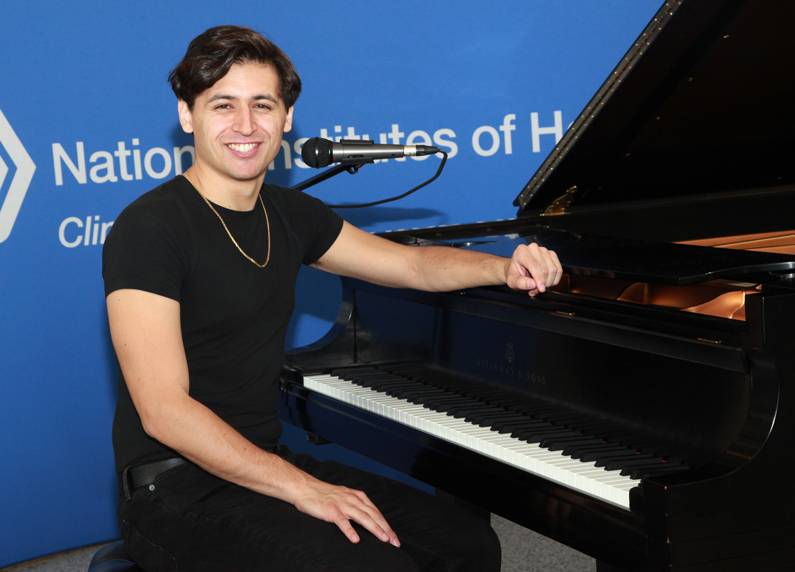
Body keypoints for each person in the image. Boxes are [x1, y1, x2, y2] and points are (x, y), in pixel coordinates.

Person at [103, 25, 562, 572]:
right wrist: (304, 488)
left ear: (287, 118)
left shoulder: (290, 214)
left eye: (263, 105)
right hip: (173, 486)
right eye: (223, 105)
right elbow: (164, 412)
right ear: (187, 115)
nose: (245, 126)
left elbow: (410, 265)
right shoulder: (150, 226)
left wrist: (504, 268)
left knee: (464, 543)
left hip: (261, 460)